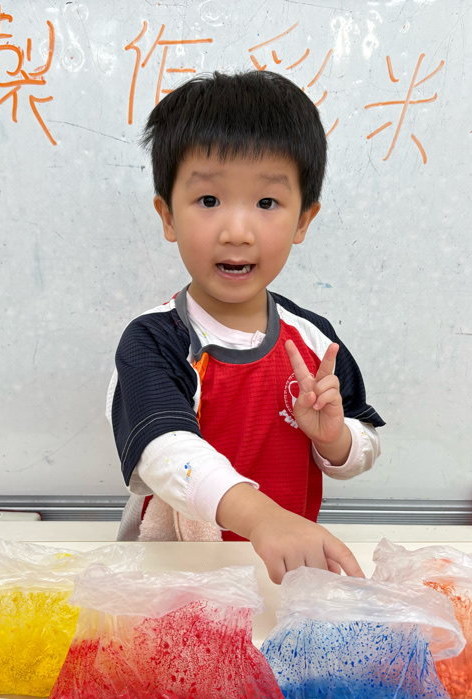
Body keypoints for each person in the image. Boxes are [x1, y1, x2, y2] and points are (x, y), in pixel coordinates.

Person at [107, 70, 385, 584]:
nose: (237, 232)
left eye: (267, 203)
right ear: (167, 216)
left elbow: (362, 444)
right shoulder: (154, 340)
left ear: (303, 220)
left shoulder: (315, 339)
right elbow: (163, 450)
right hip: (174, 583)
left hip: (279, 577)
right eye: (209, 201)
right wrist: (262, 518)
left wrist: (334, 440)